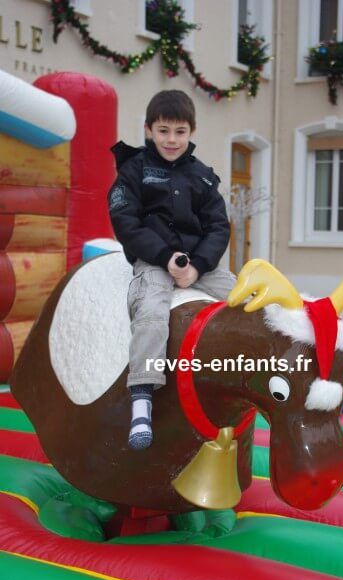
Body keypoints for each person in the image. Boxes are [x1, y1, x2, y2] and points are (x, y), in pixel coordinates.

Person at [108, 90, 235, 450]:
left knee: (245, 297)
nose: (171, 140)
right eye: (163, 131)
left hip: (199, 264)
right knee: (151, 312)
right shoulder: (133, 171)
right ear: (149, 130)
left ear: (191, 132)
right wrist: (165, 258)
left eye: (180, 132)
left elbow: (218, 227)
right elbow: (126, 221)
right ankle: (142, 397)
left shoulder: (203, 177)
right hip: (154, 260)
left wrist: (197, 267)